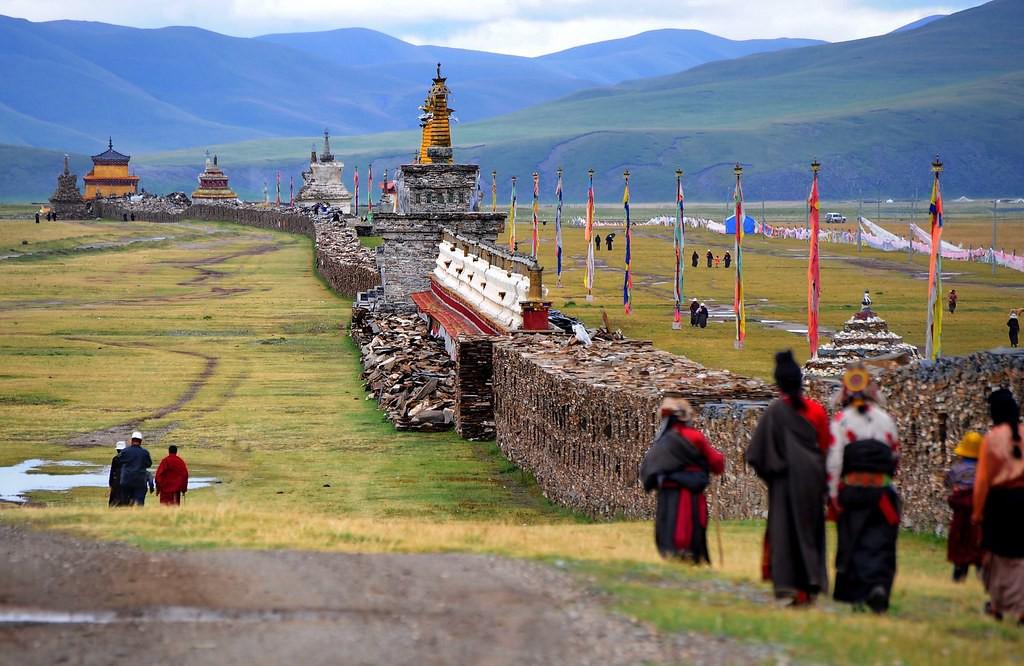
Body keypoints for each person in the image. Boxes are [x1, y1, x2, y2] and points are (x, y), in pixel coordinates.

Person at [746, 350, 830, 606]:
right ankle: (812, 581)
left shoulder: (774, 412)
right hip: (812, 481)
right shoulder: (816, 412)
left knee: (784, 532)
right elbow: (826, 448)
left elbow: (756, 453)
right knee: (809, 530)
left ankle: (787, 584)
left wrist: (772, 475)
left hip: (783, 481)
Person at [827, 366, 901, 613]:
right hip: (881, 490)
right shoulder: (885, 420)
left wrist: (833, 495)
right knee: (881, 542)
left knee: (853, 541)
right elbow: (895, 456)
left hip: (853, 490)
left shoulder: (841, 421)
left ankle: (858, 592)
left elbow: (834, 462)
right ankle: (879, 584)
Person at [640, 397, 726, 563]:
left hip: (667, 491)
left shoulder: (662, 441)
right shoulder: (694, 437)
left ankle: (670, 553)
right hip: (689, 492)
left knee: (670, 523)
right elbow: (716, 462)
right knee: (687, 526)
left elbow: (650, 467)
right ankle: (688, 554)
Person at [974, 389, 1024, 623]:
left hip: (1000, 502)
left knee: (997, 555)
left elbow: (983, 480)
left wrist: (977, 511)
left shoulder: (992, 439)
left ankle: (999, 604)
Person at [946, 432, 983, 583]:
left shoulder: (955, 470)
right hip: (979, 514)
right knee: (979, 545)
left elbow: (948, 484)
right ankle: (983, 575)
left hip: (960, 515)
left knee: (960, 543)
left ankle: (959, 575)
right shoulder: (983, 470)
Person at [118, 431, 152, 506]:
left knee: (125, 502)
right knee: (139, 503)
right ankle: (138, 516)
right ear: (140, 441)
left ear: (132, 440)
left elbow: (119, 461)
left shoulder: (125, 451)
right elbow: (149, 464)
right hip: (140, 481)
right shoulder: (145, 453)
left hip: (126, 480)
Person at [108, 441, 128, 507]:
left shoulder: (115, 459)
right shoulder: (128, 459)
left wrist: (110, 483)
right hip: (126, 481)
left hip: (116, 482)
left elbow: (112, 472)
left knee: (115, 501)